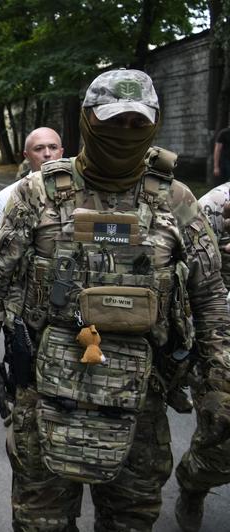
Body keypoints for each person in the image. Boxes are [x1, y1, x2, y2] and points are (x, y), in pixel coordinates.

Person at [0, 68, 230, 531]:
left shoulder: (176, 201)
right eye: (113, 122)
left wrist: (221, 381)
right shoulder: (36, 194)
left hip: (141, 399)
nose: (125, 134)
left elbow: (209, 297)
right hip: (43, 394)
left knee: (130, 521)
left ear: (154, 124)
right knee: (41, 522)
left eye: (136, 124)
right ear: (87, 120)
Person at [173, 184, 230, 531]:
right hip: (222, 333)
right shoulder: (213, 205)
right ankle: (194, 482)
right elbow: (193, 281)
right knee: (221, 430)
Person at [0, 127, 63, 256]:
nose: (47, 153)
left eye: (53, 147)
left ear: (61, 152)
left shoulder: (81, 192)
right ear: (26, 155)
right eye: (39, 148)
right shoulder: (7, 195)